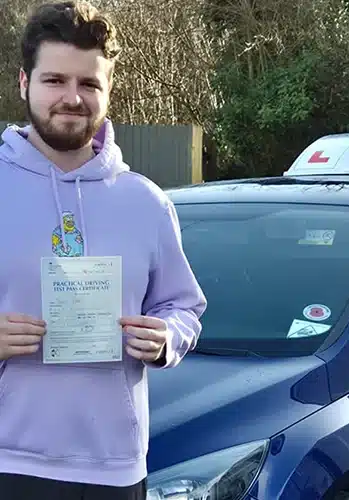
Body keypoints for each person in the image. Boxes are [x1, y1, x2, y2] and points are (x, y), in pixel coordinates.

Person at [0, 1, 206, 499]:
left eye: (89, 84)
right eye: (55, 80)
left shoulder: (146, 201)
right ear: (25, 83)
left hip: (114, 468)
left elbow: (183, 306)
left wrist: (166, 337)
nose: (72, 98)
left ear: (108, 90)